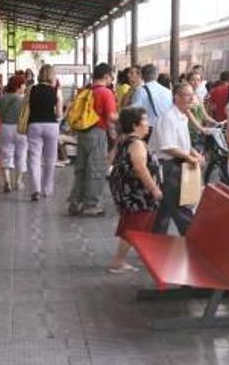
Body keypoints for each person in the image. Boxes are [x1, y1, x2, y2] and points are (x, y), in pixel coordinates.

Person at [107, 107, 163, 273]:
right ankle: (118, 261)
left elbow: (111, 159)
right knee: (136, 224)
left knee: (133, 222)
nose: (148, 124)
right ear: (135, 124)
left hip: (129, 190)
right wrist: (154, 189)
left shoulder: (125, 139)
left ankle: (125, 258)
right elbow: (140, 168)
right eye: (144, 120)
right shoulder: (136, 143)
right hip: (137, 192)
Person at [149, 83, 203, 234]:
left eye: (193, 94)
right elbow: (168, 147)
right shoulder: (169, 118)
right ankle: (192, 239)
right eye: (187, 95)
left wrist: (194, 153)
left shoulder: (182, 115)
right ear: (176, 98)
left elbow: (182, 142)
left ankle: (157, 240)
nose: (192, 98)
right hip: (167, 166)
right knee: (181, 207)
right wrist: (189, 157)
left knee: (164, 209)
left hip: (176, 164)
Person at [66, 63, 117, 216]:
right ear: (107, 75)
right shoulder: (105, 93)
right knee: (95, 169)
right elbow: (111, 116)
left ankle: (75, 202)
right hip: (97, 133)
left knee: (81, 169)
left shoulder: (85, 90)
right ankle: (91, 204)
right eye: (111, 76)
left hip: (82, 134)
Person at [27, 65, 64, 203]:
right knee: (50, 159)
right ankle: (47, 189)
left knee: (34, 158)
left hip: (34, 125)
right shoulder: (56, 92)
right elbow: (59, 113)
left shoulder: (31, 89)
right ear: (52, 75)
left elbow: (26, 108)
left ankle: (35, 189)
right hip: (51, 125)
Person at [0, 75, 28, 193]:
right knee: (21, 155)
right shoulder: (22, 100)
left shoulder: (2, 98)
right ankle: (18, 182)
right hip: (20, 130)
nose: (24, 87)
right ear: (19, 86)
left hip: (5, 128)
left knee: (6, 154)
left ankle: (7, 182)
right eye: (23, 84)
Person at [130, 64, 172, 129]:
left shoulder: (140, 91)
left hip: (148, 129)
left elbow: (134, 113)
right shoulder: (168, 91)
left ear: (142, 76)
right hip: (165, 128)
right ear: (157, 76)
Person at [186, 72, 219, 153]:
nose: (196, 82)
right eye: (193, 79)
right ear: (188, 81)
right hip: (188, 131)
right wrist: (201, 128)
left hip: (198, 131)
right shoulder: (186, 97)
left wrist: (216, 122)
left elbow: (205, 115)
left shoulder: (198, 97)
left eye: (198, 80)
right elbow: (189, 114)